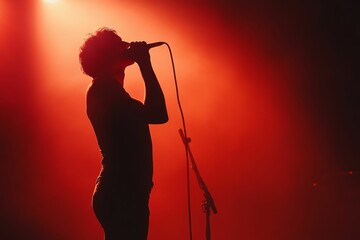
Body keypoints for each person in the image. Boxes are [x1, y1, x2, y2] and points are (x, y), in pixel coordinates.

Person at [79, 27, 168, 240]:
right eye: (119, 44)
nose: (126, 46)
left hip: (125, 193)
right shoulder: (103, 90)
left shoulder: (111, 89)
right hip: (121, 194)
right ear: (107, 54)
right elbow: (157, 114)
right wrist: (145, 63)